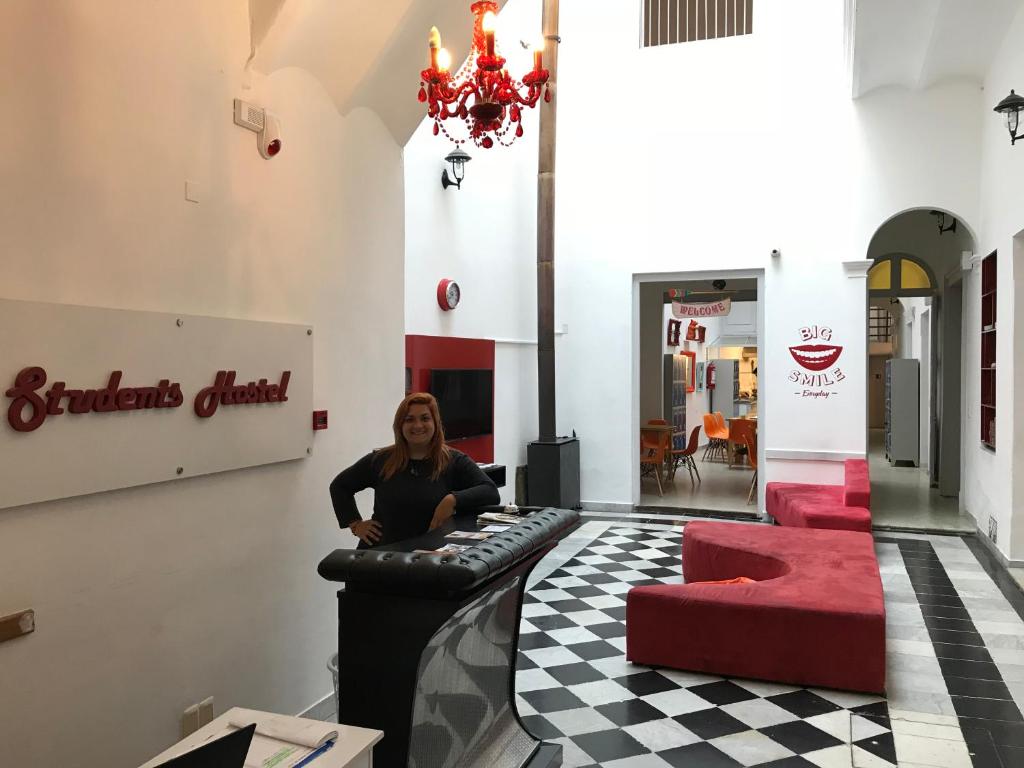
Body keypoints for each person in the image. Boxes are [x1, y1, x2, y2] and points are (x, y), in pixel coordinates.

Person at [329, 392, 500, 547]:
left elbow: (490, 491)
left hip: (429, 559)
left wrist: (452, 500)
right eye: (409, 419)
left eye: (425, 418)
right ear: (400, 425)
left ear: (435, 423)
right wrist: (356, 524)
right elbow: (340, 486)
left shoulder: (453, 460)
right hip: (381, 557)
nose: (417, 425)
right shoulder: (381, 460)